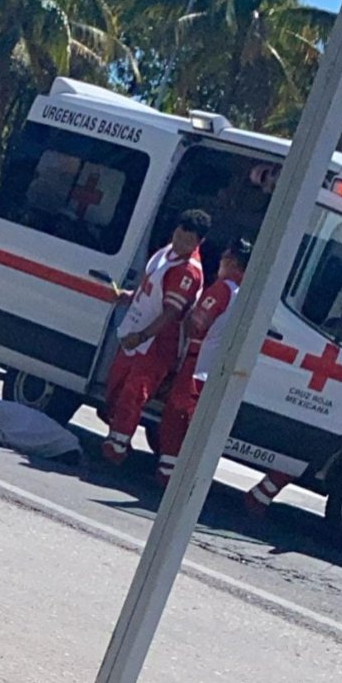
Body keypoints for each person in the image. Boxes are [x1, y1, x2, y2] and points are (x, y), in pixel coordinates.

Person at [101, 208, 210, 465]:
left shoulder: (188, 271)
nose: (181, 242)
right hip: (135, 333)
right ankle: (114, 437)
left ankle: (117, 447)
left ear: (199, 242)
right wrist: (127, 296)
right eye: (179, 234)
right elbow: (149, 290)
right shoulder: (165, 253)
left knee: (133, 392)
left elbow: (171, 312)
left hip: (158, 342)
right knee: (116, 387)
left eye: (188, 239)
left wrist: (142, 336)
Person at [153, 238, 251, 487]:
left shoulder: (222, 289)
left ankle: (167, 475)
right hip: (214, 369)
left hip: (196, 364)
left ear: (230, 262)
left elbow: (197, 324)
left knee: (175, 418)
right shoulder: (247, 296)